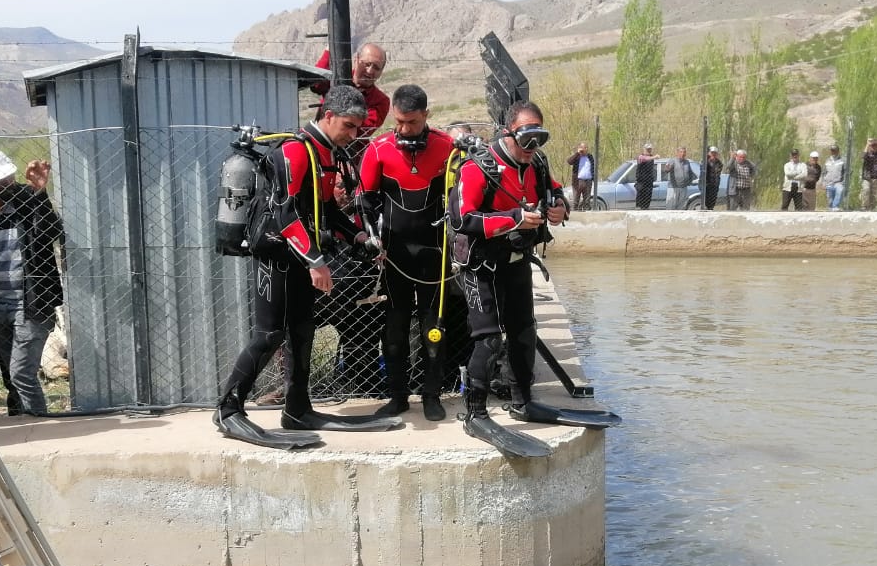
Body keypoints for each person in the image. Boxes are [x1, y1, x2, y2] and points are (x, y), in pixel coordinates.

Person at [214, 85, 389, 447]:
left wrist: (359, 237)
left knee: (302, 331)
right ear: (328, 116)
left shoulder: (325, 153)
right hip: (276, 254)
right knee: (268, 335)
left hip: (299, 256)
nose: (353, 134)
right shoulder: (295, 151)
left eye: (358, 127)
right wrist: (317, 261)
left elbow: (324, 211)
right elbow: (286, 212)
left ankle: (297, 409)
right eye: (348, 125)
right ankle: (228, 410)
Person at [452, 100, 613, 456]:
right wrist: (513, 218)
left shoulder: (536, 162)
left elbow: (554, 190)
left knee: (525, 331)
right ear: (507, 133)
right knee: (490, 339)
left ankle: (523, 401)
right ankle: (475, 413)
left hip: (516, 260)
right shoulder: (479, 168)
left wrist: (560, 207)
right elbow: (462, 220)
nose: (532, 149)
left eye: (539, 138)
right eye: (526, 139)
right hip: (481, 266)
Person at [358, 84, 458, 422]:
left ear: (426, 116)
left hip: (434, 252)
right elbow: (366, 202)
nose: (404, 129)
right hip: (395, 255)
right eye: (399, 122)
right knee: (396, 328)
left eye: (412, 122)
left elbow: (462, 197)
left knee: (434, 325)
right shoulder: (379, 150)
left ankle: (432, 394)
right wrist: (371, 237)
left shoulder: (447, 147)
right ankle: (398, 396)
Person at [0, 149, 64, 418]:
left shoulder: (30, 198)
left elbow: (50, 232)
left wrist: (41, 193)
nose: (4, 184)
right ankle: (26, 423)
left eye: (8, 178)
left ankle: (40, 425)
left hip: (31, 304)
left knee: (21, 374)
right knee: (14, 374)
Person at [567, 141, 595, 209]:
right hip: (578, 181)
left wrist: (593, 178)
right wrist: (577, 153)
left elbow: (593, 167)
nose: (585, 149)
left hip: (588, 181)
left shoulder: (590, 156)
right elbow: (569, 161)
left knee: (587, 200)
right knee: (576, 199)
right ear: (580, 148)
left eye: (586, 148)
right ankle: (576, 210)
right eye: (583, 148)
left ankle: (586, 212)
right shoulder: (577, 157)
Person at [860, 139, 877, 209]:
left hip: (876, 177)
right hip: (867, 177)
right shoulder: (867, 153)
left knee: (874, 194)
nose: (874, 147)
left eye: (875, 145)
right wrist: (867, 145)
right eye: (872, 145)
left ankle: (872, 207)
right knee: (866, 190)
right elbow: (862, 156)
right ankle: (864, 206)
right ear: (870, 146)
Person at [633, 144, 657, 210]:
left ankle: (646, 208)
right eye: (647, 149)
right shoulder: (641, 157)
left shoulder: (651, 157)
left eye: (650, 149)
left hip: (649, 181)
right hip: (641, 181)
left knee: (648, 195)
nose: (649, 150)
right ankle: (639, 208)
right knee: (641, 196)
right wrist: (654, 157)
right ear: (644, 149)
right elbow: (645, 159)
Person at [821, 146, 845, 210]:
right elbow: (823, 173)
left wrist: (843, 182)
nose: (833, 152)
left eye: (835, 150)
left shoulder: (842, 160)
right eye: (832, 150)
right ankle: (831, 208)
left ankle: (835, 206)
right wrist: (823, 183)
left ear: (838, 151)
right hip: (829, 183)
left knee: (840, 190)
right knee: (830, 198)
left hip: (838, 182)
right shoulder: (827, 161)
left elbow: (846, 172)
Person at [702, 146, 724, 210]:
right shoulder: (706, 162)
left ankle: (711, 208)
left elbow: (718, 172)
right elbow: (703, 168)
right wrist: (708, 157)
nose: (713, 154)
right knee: (706, 199)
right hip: (708, 184)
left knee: (713, 199)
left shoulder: (719, 163)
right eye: (712, 153)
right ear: (709, 153)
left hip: (715, 184)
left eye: (715, 153)